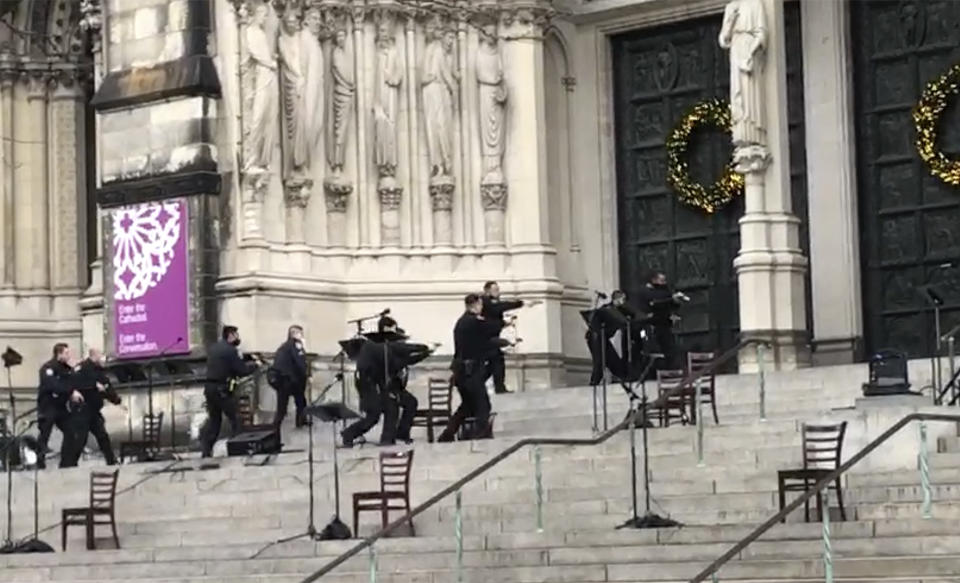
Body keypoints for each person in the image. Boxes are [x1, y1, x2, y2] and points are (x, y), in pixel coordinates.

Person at [438, 294, 505, 442]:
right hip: (470, 371)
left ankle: (448, 433)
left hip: (462, 371)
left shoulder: (462, 322)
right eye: (481, 305)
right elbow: (491, 329)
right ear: (474, 305)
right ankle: (479, 434)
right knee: (483, 405)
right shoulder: (472, 322)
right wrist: (502, 324)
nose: (482, 308)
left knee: (468, 405)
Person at [202, 326, 260, 458]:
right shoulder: (230, 350)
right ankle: (238, 449)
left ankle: (206, 451)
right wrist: (255, 364)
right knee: (235, 418)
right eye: (236, 335)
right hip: (221, 390)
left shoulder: (214, 348)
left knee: (214, 421)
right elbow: (242, 370)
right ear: (231, 335)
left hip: (210, 388)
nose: (238, 337)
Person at [62, 348, 121, 467]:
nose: (103, 359)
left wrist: (115, 399)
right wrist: (93, 386)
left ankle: (111, 461)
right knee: (80, 439)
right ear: (95, 356)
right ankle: (70, 463)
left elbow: (106, 386)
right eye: (101, 356)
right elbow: (74, 383)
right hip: (82, 410)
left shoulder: (100, 371)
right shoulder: (82, 368)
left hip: (94, 411)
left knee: (102, 436)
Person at [481, 281, 541, 394]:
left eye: (498, 290)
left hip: (491, 337)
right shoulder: (486, 302)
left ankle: (495, 386)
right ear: (487, 291)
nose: (498, 293)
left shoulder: (490, 303)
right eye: (495, 290)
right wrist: (521, 303)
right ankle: (494, 386)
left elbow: (493, 319)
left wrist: (505, 323)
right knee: (496, 360)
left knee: (496, 361)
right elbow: (500, 308)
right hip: (485, 338)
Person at [36, 342, 83, 469]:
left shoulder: (67, 369)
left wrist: (74, 371)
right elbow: (53, 385)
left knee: (71, 431)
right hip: (48, 405)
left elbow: (73, 382)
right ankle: (39, 462)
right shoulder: (48, 368)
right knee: (45, 433)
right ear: (59, 354)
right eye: (66, 353)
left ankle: (66, 462)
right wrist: (70, 391)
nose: (69, 355)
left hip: (61, 407)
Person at [635, 272, 686, 369]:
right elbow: (654, 302)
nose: (664, 283)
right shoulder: (645, 292)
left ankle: (672, 369)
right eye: (661, 280)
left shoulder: (664, 291)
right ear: (653, 280)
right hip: (650, 326)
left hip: (664, 324)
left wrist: (676, 302)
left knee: (670, 349)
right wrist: (670, 299)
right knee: (652, 349)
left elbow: (670, 304)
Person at [271, 325, 310, 433]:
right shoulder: (295, 346)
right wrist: (306, 374)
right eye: (299, 333)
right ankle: (276, 427)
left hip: (284, 379)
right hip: (291, 380)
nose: (302, 335)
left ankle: (299, 420)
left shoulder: (284, 346)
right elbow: (300, 362)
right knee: (294, 403)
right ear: (293, 334)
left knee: (298, 401)